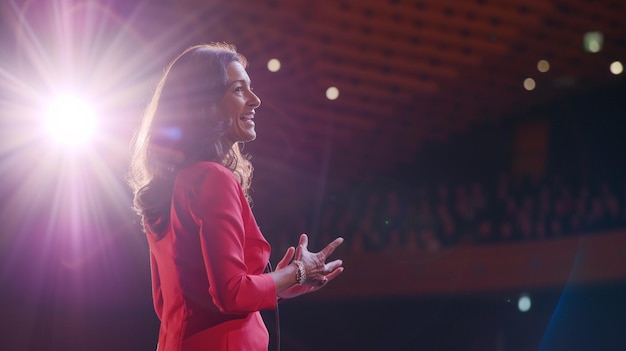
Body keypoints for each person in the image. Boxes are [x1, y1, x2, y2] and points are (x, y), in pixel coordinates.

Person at [128, 43, 344, 351]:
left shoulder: (170, 185)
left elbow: (171, 303)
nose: (255, 101)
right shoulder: (213, 178)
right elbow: (231, 293)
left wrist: (282, 285)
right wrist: (296, 272)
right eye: (239, 90)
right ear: (205, 104)